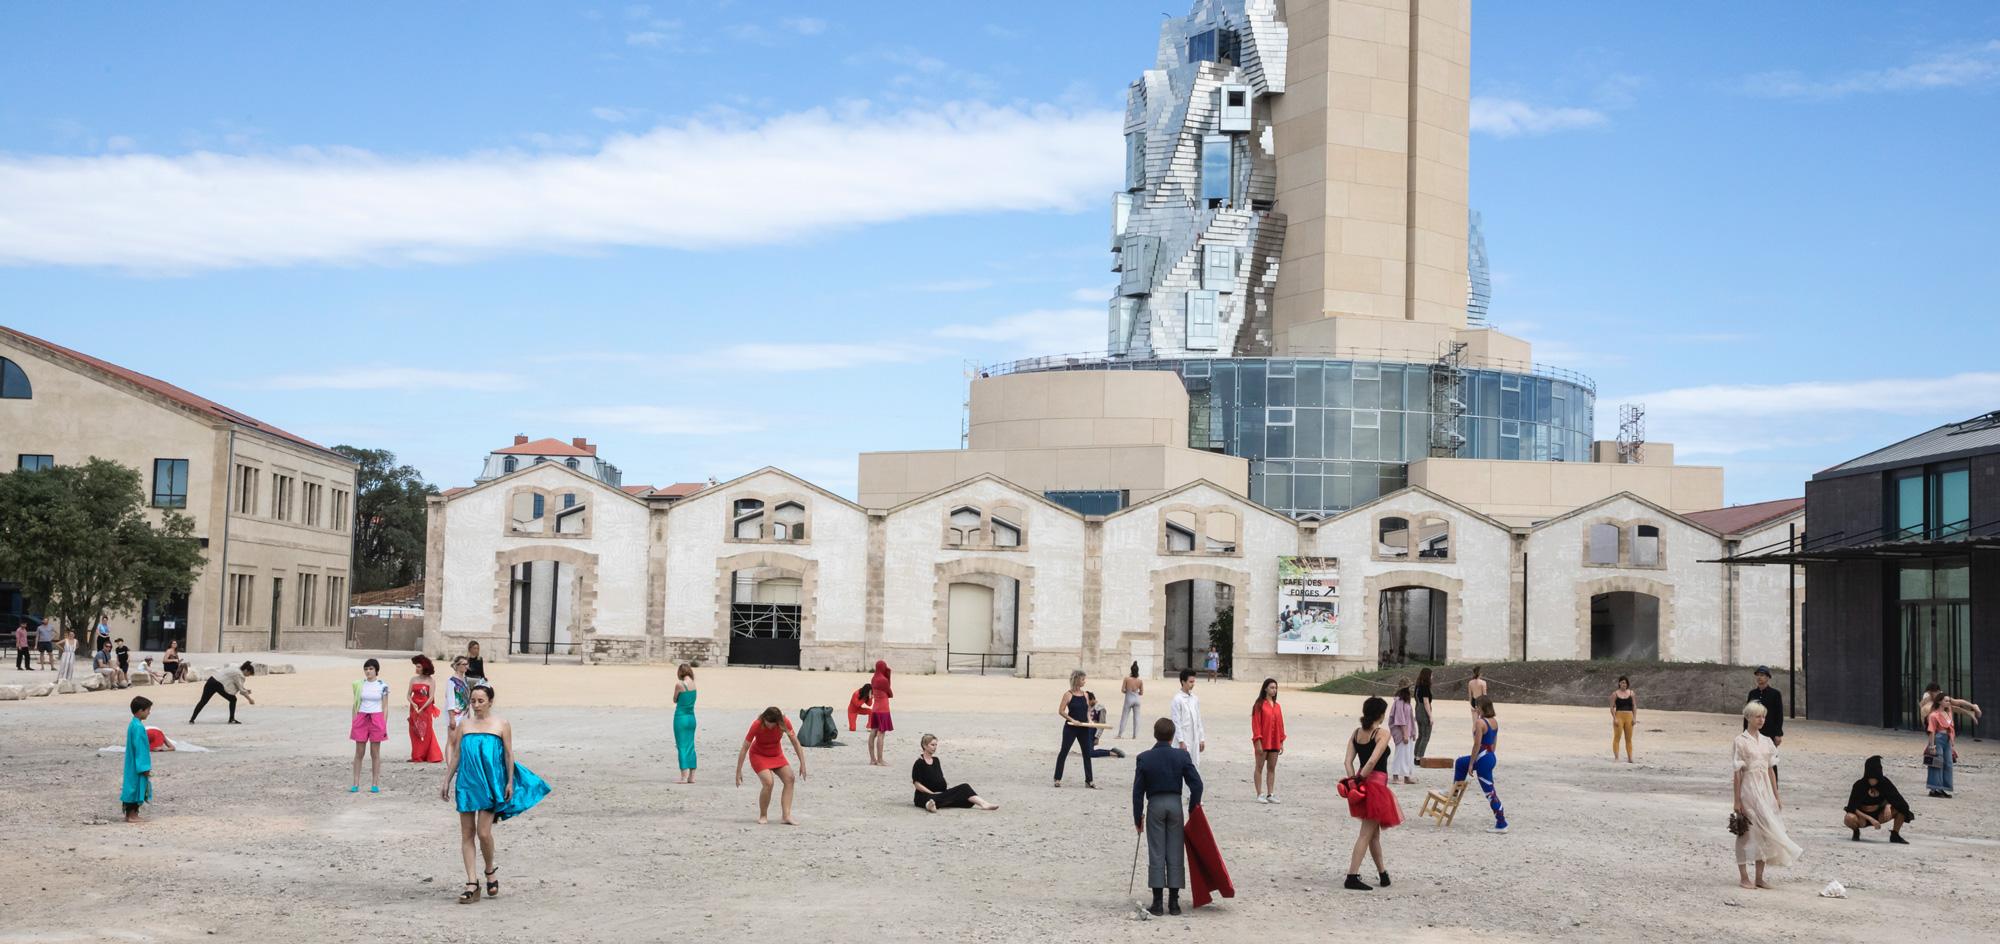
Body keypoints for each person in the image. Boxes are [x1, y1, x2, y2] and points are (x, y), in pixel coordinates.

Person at [440, 683, 551, 904]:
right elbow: (457, 755)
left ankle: (489, 869)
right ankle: (472, 883)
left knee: (483, 833)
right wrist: (446, 780)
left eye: (481, 701)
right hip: (467, 783)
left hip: (491, 783)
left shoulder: (501, 724)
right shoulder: (464, 725)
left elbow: (509, 755)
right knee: (466, 834)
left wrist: (509, 781)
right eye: (473, 701)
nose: (477, 705)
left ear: (490, 701)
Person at [1133, 717, 1203, 917]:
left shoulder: (1144, 758)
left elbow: (1137, 792)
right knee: (1174, 851)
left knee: (1157, 851)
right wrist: (1193, 809)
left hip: (1155, 804)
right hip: (1175, 804)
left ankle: (1157, 903)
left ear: (1155, 734)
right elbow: (1197, 784)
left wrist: (1138, 818)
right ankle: (1174, 903)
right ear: (1173, 736)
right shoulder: (1181, 756)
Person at [1732, 700, 1800, 889]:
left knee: (1764, 832)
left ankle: (1759, 877)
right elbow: (1737, 772)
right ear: (1748, 718)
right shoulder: (1740, 741)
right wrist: (1737, 800)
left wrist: (1776, 796)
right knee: (1745, 832)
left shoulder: (1767, 741)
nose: (1761, 719)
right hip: (1748, 789)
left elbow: (1771, 770)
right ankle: (1744, 876)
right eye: (1758, 716)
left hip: (1765, 791)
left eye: (1763, 716)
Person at [1342, 695, 1400, 890]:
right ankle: (1352, 876)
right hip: (1375, 786)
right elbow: (1373, 761)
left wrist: (1353, 782)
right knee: (1366, 834)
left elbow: (1348, 762)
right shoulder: (1382, 733)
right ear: (1381, 715)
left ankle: (1383, 874)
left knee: (1374, 834)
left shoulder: (1356, 732)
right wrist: (1360, 779)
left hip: (1360, 785)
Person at [735, 706, 806, 825]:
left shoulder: (784, 723)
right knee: (768, 782)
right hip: (758, 755)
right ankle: (763, 815)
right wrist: (738, 771)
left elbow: (795, 742)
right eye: (768, 723)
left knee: (790, 779)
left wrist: (802, 763)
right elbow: (744, 748)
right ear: (764, 718)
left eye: (773, 724)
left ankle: (786, 816)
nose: (770, 726)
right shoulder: (757, 724)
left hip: (776, 754)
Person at [1452, 696, 1507, 832]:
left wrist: (1472, 764)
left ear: (1481, 707)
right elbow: (1494, 743)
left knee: (1489, 792)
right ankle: (1454, 791)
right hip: (1490, 756)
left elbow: (1476, 744)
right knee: (1460, 763)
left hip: (1482, 758)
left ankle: (1502, 823)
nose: (1476, 708)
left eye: (1477, 706)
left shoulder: (1480, 723)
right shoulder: (1494, 722)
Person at [911, 734, 998, 812]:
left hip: (941, 793)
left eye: (936, 745)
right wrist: (931, 793)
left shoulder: (936, 760)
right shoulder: (919, 762)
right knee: (931, 799)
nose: (935, 747)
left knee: (965, 787)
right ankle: (931, 806)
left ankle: (984, 804)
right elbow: (917, 784)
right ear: (924, 746)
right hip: (925, 795)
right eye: (932, 745)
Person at [1844, 755, 1913, 843]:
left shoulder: (1885, 783)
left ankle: (1895, 835)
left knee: (1902, 809)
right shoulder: (1859, 785)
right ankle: (1856, 832)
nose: (1873, 781)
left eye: (1875, 779)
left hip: (1879, 815)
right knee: (1849, 817)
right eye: (1870, 778)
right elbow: (1852, 807)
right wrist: (1870, 819)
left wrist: (1888, 806)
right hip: (1862, 818)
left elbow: (1898, 800)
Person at [351, 658, 391, 793]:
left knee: (375, 752)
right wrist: (354, 720)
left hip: (376, 717)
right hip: (362, 716)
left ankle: (375, 783)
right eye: (366, 669)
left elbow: (385, 706)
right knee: (359, 752)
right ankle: (355, 783)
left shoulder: (383, 686)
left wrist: (383, 723)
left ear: (376, 671)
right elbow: (355, 703)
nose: (368, 671)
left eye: (371, 669)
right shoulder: (359, 684)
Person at [1053, 669, 1097, 787]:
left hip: (1083, 728)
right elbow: (1061, 711)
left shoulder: (1086, 694)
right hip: (1071, 727)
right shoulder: (1068, 695)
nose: (1084, 682)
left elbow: (1087, 710)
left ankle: (1089, 780)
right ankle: (1057, 778)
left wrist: (1090, 720)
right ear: (1077, 679)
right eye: (1083, 679)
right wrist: (1072, 720)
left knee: (1087, 753)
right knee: (1064, 752)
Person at [1251, 677, 1285, 802]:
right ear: (1265, 688)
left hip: (1275, 741)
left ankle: (1270, 794)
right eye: (1272, 687)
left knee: (1272, 768)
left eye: (1275, 688)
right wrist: (1258, 741)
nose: (1274, 690)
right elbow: (1256, 725)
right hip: (1262, 741)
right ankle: (1259, 794)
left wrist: (1281, 741)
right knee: (1259, 767)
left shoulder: (1278, 706)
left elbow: (1281, 724)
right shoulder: (1259, 705)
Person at [122, 696, 155, 823]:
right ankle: (132, 815)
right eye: (148, 710)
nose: (149, 712)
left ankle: (130, 814)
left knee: (131, 786)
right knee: (136, 787)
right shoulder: (139, 727)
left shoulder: (133, 724)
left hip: (131, 763)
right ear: (140, 711)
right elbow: (140, 749)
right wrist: (145, 767)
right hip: (137, 764)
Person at [190, 661, 255, 723]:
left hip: (211, 681)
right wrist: (250, 700)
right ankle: (231, 719)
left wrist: (245, 690)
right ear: (246, 670)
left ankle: (192, 719)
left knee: (203, 701)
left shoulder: (234, 669)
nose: (248, 676)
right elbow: (241, 690)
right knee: (233, 699)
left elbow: (238, 687)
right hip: (218, 685)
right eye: (249, 674)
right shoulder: (239, 674)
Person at [1169, 668, 1206, 769]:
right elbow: (1176, 722)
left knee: (1194, 765)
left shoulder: (1195, 699)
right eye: (1190, 682)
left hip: (1194, 738)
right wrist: (1181, 741)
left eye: (1194, 681)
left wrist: (1201, 738)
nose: (1193, 684)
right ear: (1183, 682)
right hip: (1184, 738)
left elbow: (1198, 720)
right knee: (1182, 765)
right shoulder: (1177, 700)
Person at [409, 655, 443, 764]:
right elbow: (408, 695)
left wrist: (422, 708)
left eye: (419, 667)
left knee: (426, 730)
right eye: (416, 666)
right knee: (414, 730)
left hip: (426, 708)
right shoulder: (413, 679)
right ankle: (416, 754)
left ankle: (426, 754)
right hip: (414, 707)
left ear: (424, 667)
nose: (416, 669)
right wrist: (413, 704)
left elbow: (431, 697)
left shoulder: (430, 681)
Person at [1926, 694, 1957, 798]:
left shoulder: (1948, 713)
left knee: (1948, 764)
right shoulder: (1933, 715)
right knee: (1937, 763)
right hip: (1938, 739)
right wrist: (1932, 746)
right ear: (1940, 701)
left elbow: (1951, 729)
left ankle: (1943, 788)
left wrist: (1952, 744)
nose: (1948, 702)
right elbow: (1931, 731)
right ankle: (1934, 789)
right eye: (1946, 700)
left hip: (1947, 740)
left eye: (1949, 700)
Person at [673, 663, 698, 784]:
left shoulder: (680, 684)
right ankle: (692, 776)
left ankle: (683, 776)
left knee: (681, 745)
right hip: (691, 718)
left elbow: (674, 699)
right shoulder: (694, 685)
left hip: (681, 718)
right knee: (690, 746)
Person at [1386, 684, 1416, 784]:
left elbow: (1410, 718)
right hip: (1402, 732)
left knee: (1408, 755)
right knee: (1400, 754)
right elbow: (1400, 719)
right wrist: (1405, 734)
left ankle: (1407, 777)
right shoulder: (1399, 702)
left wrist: (1413, 732)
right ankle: (1395, 776)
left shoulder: (1406, 702)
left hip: (1408, 731)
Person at [867, 660, 894, 768]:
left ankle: (872, 759)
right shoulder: (883, 680)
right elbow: (890, 693)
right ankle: (880, 760)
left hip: (875, 709)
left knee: (873, 733)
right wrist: (889, 675)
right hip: (883, 709)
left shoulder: (873, 678)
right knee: (881, 734)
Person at [1085, 692, 1127, 759]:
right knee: (1087, 751)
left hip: (1093, 730)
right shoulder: (1088, 706)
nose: (1087, 703)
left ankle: (1112, 753)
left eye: (1088, 701)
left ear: (1092, 699)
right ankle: (1112, 751)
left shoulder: (1100, 708)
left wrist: (1097, 737)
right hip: (1086, 730)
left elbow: (1102, 724)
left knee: (1090, 753)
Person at [1612, 676, 1637, 763]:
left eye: (1625, 683)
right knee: (1617, 737)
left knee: (1628, 739)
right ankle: (1616, 758)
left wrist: (1634, 718)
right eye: (1622, 682)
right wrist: (1614, 718)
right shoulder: (1615, 694)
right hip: (1619, 716)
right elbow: (1611, 707)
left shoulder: (1631, 693)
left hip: (1629, 716)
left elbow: (1634, 706)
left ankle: (1630, 758)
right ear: (1619, 683)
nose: (1624, 684)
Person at [1413, 667, 1435, 760]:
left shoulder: (1417, 686)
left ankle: (1415, 755)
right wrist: (1430, 716)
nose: (1432, 676)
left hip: (1418, 709)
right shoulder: (1425, 686)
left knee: (1421, 735)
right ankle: (1419, 757)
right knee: (1426, 736)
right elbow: (1426, 702)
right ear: (1428, 676)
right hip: (1423, 711)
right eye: (1431, 675)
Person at [1118, 662, 1144, 739]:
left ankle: (1120, 734)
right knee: (1137, 718)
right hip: (1137, 699)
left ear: (1131, 670)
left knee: (1124, 716)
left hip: (1129, 698)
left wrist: (1128, 692)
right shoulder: (1140, 681)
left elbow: (1122, 690)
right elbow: (1141, 693)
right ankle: (1135, 735)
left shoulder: (1127, 679)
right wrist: (1136, 692)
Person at [447, 655, 472, 735]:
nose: (466, 666)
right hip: (455, 715)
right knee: (452, 740)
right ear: (457, 666)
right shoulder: (451, 681)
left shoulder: (465, 680)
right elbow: (450, 700)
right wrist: (452, 718)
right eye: (464, 664)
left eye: (467, 664)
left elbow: (467, 698)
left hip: (464, 714)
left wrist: (469, 713)